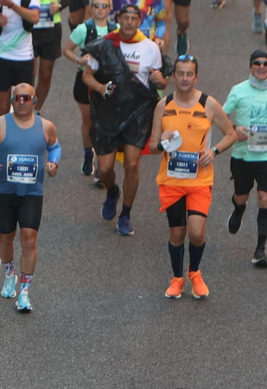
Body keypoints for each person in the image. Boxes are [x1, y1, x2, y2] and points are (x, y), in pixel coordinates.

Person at [148, 57, 240, 300]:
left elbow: (231, 134)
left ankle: (194, 272)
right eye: (180, 74)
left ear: (196, 77)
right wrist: (162, 141)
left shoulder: (208, 104)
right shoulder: (163, 105)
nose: (185, 78)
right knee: (177, 233)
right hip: (172, 180)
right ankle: (177, 278)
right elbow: (153, 146)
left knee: (197, 233)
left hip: (199, 181)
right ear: (174, 77)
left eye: (189, 74)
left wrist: (214, 151)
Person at [81, 5, 165, 237]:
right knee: (106, 168)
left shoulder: (150, 48)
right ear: (117, 19)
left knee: (132, 164)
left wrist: (159, 80)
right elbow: (87, 76)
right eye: (125, 18)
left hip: (138, 112)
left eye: (133, 18)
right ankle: (112, 192)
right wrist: (101, 88)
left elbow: (160, 82)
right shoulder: (106, 44)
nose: (129, 22)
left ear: (140, 21)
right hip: (109, 111)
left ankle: (126, 214)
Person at [0, 81, 60, 311]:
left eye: (27, 98)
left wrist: (53, 163)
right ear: (12, 100)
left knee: (29, 240)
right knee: (6, 238)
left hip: (31, 193)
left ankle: (24, 291)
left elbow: (55, 147)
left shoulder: (46, 126)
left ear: (35, 101)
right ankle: (9, 273)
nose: (22, 102)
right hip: (5, 191)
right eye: (18, 98)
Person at [224, 50, 267, 269]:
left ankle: (260, 250)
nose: (262, 67)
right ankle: (238, 209)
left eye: (266, 64)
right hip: (243, 154)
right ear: (250, 66)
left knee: (265, 197)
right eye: (257, 63)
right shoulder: (238, 90)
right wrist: (235, 129)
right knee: (241, 195)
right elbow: (220, 115)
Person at [62, 0, 116, 180]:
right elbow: (67, 50)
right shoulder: (83, 29)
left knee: (105, 123)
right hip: (85, 81)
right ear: (91, 8)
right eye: (96, 6)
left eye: (104, 6)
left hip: (107, 80)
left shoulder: (116, 29)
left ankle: (102, 165)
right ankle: (88, 155)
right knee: (89, 122)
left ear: (109, 8)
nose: (100, 9)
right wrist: (79, 60)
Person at [0, 0, 40, 117]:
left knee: (23, 106)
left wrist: (11, 5)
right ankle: (2, 134)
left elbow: (34, 17)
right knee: (3, 107)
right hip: (1, 57)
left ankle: (21, 135)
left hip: (24, 58)